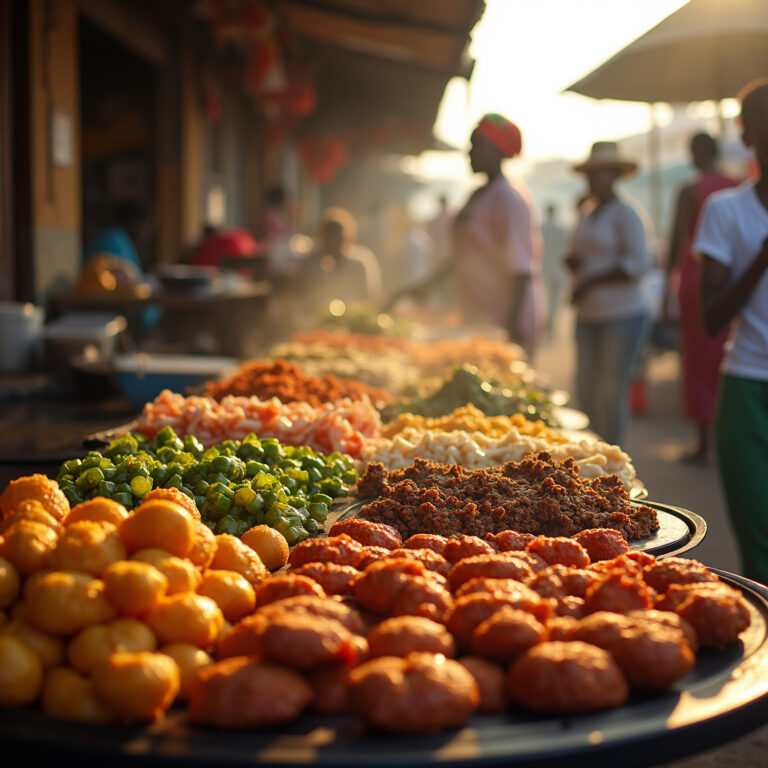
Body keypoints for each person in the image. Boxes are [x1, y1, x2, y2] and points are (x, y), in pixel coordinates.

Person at [389, 114, 539, 359]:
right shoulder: (478, 196)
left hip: (501, 318)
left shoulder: (509, 199)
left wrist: (512, 328)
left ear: (496, 150)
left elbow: (521, 268)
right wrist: (423, 288)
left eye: (476, 146)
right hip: (477, 314)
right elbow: (461, 257)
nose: (468, 153)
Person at [696, 79, 768, 583]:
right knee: (759, 542)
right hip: (746, 391)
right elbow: (710, 316)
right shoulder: (726, 211)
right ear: (749, 137)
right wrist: (763, 256)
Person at [567, 141, 652, 446]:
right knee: (587, 390)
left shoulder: (627, 213)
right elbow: (576, 254)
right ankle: (592, 454)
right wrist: (576, 265)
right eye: (590, 174)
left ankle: (612, 461)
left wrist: (590, 282)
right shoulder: (587, 213)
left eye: (599, 174)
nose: (592, 180)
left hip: (622, 314)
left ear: (614, 175)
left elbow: (636, 265)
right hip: (589, 314)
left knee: (611, 392)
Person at [667, 132, 738, 463]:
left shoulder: (690, 190)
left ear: (694, 153)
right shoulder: (737, 185)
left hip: (697, 279)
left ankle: (704, 443)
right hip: (734, 278)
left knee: (698, 361)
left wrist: (666, 286)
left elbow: (676, 240)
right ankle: (730, 438)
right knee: (728, 358)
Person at [300, 207, 382, 315]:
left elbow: (370, 300)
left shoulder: (360, 262)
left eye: (337, 237)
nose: (333, 242)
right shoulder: (311, 263)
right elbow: (304, 298)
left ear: (347, 238)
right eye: (329, 237)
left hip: (353, 322)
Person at [83, 200, 149, 271]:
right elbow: (129, 276)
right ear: (133, 221)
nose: (144, 229)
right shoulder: (113, 240)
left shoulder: (120, 237)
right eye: (143, 223)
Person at [540, 203, 568, 340]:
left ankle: (547, 326)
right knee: (554, 301)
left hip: (545, 269)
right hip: (558, 270)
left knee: (545, 300)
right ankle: (551, 326)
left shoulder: (541, 229)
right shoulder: (560, 230)